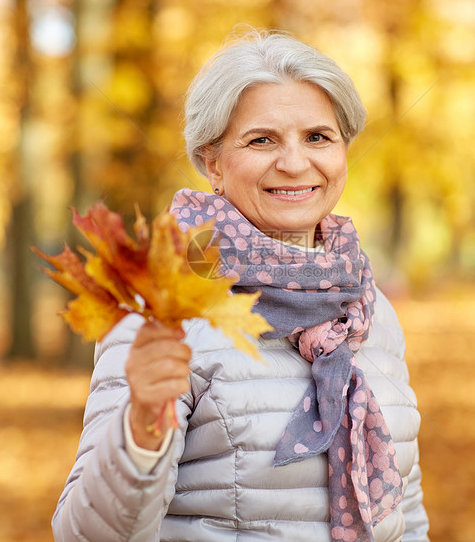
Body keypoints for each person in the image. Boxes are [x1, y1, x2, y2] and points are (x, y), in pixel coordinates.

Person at [52, 30, 429, 542]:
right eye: (262, 140)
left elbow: (402, 508)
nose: (296, 163)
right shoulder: (166, 306)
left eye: (318, 137)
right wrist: (140, 431)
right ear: (212, 164)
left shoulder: (367, 305)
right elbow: (84, 534)